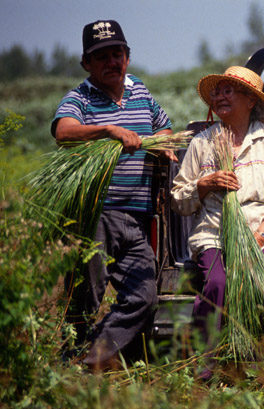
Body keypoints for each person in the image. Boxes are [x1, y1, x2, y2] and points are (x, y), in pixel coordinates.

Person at [52, 20, 174, 370]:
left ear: (128, 57)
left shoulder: (140, 92)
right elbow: (63, 131)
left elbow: (162, 124)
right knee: (85, 296)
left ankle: (89, 358)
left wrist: (162, 143)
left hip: (137, 217)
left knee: (143, 295)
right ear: (87, 64)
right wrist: (107, 130)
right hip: (96, 215)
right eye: (101, 56)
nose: (111, 62)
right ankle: (70, 362)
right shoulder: (79, 97)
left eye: (117, 54)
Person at [171, 66, 264, 342]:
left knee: (258, 278)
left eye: (228, 91)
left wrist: (260, 236)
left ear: (251, 100)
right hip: (214, 234)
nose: (219, 97)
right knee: (217, 282)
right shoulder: (202, 143)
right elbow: (179, 201)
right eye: (217, 93)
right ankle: (206, 363)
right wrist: (204, 185)